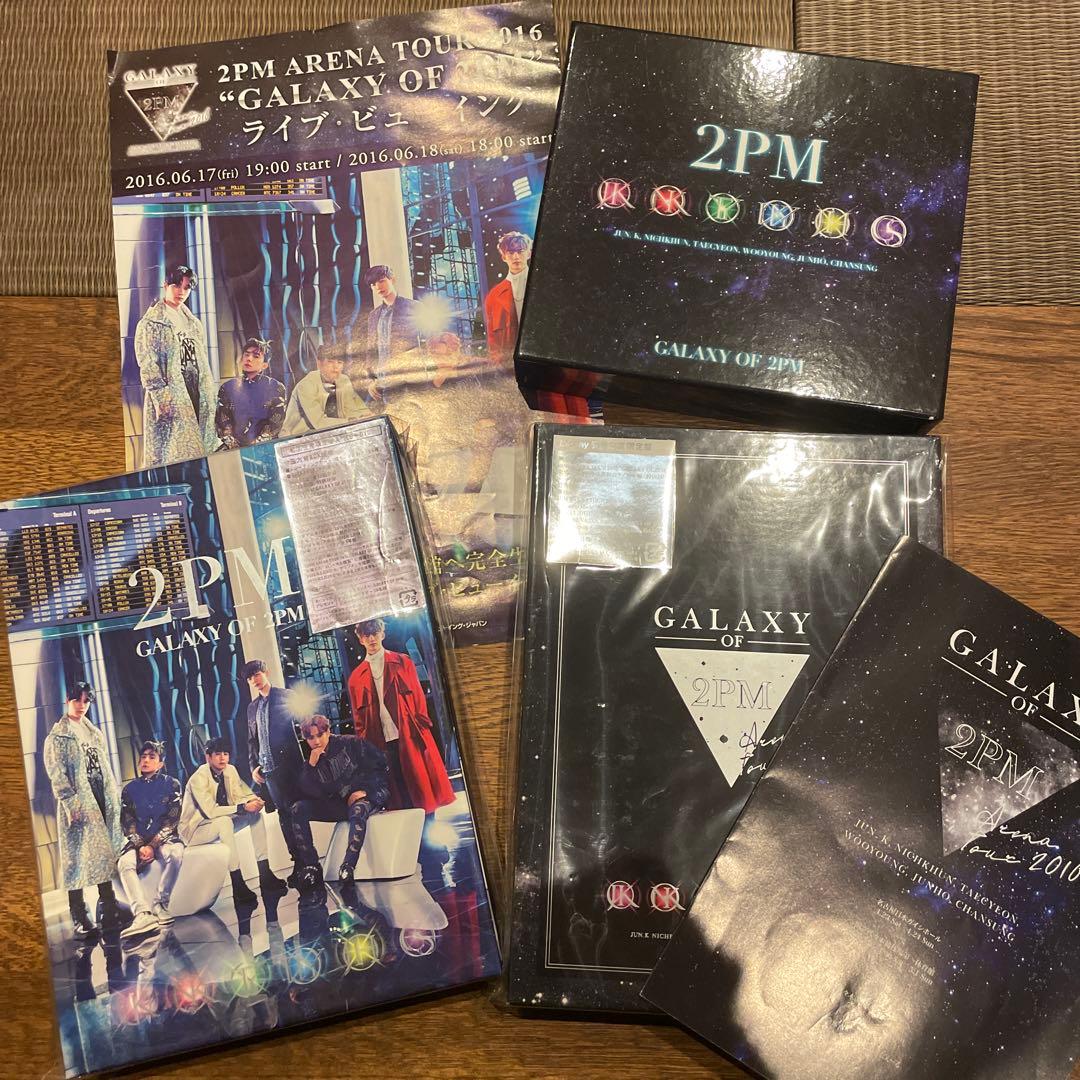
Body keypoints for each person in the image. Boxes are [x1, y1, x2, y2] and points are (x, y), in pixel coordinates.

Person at [346, 619, 454, 814]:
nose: (371, 639)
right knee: (395, 788)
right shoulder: (356, 677)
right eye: (366, 635)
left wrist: (420, 725)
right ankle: (408, 829)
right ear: (361, 639)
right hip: (379, 739)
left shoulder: (402, 661)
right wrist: (364, 743)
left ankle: (428, 826)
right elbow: (358, 717)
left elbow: (418, 695)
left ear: (382, 634)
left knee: (419, 783)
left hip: (408, 732)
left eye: (375, 633)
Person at [43, 682, 124, 938]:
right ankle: (78, 913)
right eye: (77, 700)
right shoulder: (58, 736)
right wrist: (71, 803)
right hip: (78, 801)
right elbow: (57, 774)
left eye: (86, 701)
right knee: (75, 858)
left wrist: (113, 797)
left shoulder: (94, 732)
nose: (81, 705)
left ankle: (108, 905)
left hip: (100, 795)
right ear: (68, 700)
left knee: (103, 852)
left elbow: (104, 767)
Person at [482, 231, 593, 416]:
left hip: (552, 359)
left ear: (529, 252)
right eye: (511, 252)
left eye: (520, 251)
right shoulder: (494, 296)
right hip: (515, 370)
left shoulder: (547, 283)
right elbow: (494, 340)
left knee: (568, 408)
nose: (516, 256)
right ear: (503, 256)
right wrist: (498, 369)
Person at [179, 736, 289, 906]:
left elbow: (240, 796)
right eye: (218, 754)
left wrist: (253, 801)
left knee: (255, 816)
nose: (222, 758)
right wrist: (243, 807)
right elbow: (210, 811)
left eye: (226, 754)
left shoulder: (230, 770)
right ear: (208, 757)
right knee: (225, 822)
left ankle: (265, 874)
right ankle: (238, 884)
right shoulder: (198, 778)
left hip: (219, 822)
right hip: (195, 831)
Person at [289, 715, 390, 889]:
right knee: (298, 809)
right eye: (311, 738)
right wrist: (310, 767)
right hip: (339, 804)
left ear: (328, 731)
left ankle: (348, 866)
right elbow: (307, 793)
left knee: (358, 809)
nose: (316, 741)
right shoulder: (312, 759)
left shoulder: (351, 743)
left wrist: (365, 791)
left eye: (320, 735)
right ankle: (312, 866)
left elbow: (381, 765)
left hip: (369, 795)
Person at [134, 264, 217, 466]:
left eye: (186, 287)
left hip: (195, 390)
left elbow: (202, 360)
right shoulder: (151, 322)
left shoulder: (193, 323)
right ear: (165, 285)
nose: (181, 292)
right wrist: (162, 397)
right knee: (171, 450)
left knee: (199, 445)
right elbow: (147, 363)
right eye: (176, 285)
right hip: (171, 392)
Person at [116, 740, 183, 939]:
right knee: (124, 863)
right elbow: (127, 822)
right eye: (143, 757)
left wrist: (152, 845)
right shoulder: (129, 789)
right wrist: (140, 846)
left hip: (165, 838)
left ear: (160, 763)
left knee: (176, 855)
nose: (145, 760)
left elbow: (172, 819)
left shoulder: (172, 784)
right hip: (138, 842)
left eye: (151, 757)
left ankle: (161, 903)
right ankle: (142, 913)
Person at [243, 659, 304, 872]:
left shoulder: (286, 696)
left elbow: (303, 726)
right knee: (283, 815)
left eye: (257, 674)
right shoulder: (252, 708)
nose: (254, 680)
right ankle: (297, 862)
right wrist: (253, 766)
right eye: (250, 678)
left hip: (290, 766)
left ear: (266, 672)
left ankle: (307, 859)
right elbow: (252, 741)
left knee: (296, 812)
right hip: (268, 772)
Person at [280, 341, 372, 436]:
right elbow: (319, 423)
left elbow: (351, 411)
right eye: (330, 362)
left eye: (339, 362)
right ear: (319, 364)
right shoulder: (306, 385)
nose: (335, 367)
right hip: (297, 436)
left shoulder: (343, 380)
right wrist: (353, 420)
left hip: (331, 434)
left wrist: (364, 417)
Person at [214, 337, 287, 449]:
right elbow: (222, 421)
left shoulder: (276, 388)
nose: (249, 359)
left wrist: (257, 444)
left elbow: (275, 424)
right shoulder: (227, 387)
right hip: (232, 448)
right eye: (246, 354)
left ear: (265, 365)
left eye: (256, 356)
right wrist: (232, 444)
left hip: (264, 447)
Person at [363, 264, 421, 395]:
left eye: (381, 281)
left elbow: (427, 342)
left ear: (392, 280)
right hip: (382, 383)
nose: (378, 287)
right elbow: (371, 350)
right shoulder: (373, 315)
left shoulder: (414, 307)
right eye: (373, 284)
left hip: (409, 379)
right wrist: (371, 380)